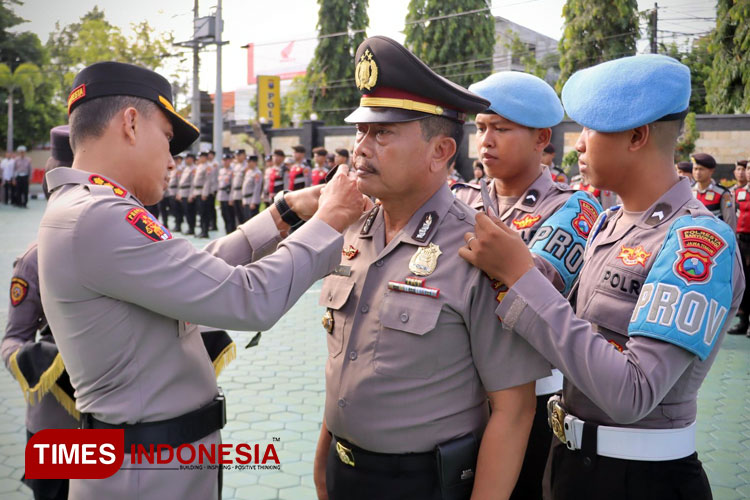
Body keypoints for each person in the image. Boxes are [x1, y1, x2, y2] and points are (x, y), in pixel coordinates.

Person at [38, 60, 366, 500]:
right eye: (168, 139)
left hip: (148, 463)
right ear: (131, 123)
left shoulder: (85, 208)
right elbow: (247, 298)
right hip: (146, 473)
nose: (173, 160)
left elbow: (194, 270)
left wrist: (285, 213)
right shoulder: (98, 216)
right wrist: (327, 222)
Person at [460, 54, 744, 500]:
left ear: (636, 136)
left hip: (641, 479)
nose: (577, 144)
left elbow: (633, 393)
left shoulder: (698, 243)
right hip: (572, 465)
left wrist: (520, 275)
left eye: (591, 128)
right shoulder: (609, 223)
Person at [313, 36, 550, 500]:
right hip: (346, 469)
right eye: (361, 131)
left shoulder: (479, 248)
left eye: (382, 134)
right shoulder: (354, 231)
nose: (361, 147)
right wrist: (325, 461)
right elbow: (346, 361)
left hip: (424, 482)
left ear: (440, 151)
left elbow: (514, 407)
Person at [453, 70, 600, 500]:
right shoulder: (462, 198)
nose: (486, 141)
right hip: (460, 391)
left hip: (530, 398)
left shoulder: (574, 208)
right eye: (481, 128)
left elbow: (532, 287)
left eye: (501, 128)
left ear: (541, 139)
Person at [2, 126, 80, 500]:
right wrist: (44, 361)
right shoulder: (34, 260)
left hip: (119, 423)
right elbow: (13, 338)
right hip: (57, 424)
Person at [730, 161, 750, 335]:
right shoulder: (737, 192)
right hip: (741, 241)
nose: (748, 172)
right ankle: (743, 321)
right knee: (743, 280)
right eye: (748, 168)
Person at [691, 152, 736, 230]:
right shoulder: (689, 192)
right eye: (695, 169)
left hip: (714, 238)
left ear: (711, 171)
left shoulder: (722, 193)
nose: (697, 173)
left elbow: (729, 221)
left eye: (701, 169)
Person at [177, 152, 197, 234]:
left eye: (187, 158)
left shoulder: (193, 169)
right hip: (183, 192)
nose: (185, 160)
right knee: (185, 212)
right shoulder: (186, 168)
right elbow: (180, 182)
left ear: (191, 159)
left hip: (188, 192)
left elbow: (193, 183)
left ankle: (191, 228)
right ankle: (189, 227)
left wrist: (191, 195)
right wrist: (179, 193)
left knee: (190, 212)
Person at [217, 153, 236, 233]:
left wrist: (231, 198)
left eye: (227, 160)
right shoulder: (221, 171)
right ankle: (226, 231)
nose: (225, 162)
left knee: (230, 216)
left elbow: (233, 185)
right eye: (224, 160)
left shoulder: (232, 171)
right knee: (223, 215)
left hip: (228, 196)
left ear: (230, 161)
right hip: (222, 195)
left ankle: (231, 231)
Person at [241, 154, 263, 220]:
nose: (247, 163)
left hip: (252, 201)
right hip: (246, 200)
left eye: (249, 162)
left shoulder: (257, 173)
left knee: (252, 220)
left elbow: (257, 189)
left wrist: (253, 202)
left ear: (254, 162)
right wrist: (244, 200)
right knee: (246, 220)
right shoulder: (248, 172)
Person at [164, 154, 182, 229]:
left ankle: (178, 225)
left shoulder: (179, 170)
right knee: (172, 209)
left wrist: (178, 193)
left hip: (175, 191)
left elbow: (179, 183)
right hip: (169, 192)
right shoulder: (170, 170)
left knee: (177, 210)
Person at [230, 149, 247, 227]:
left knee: (244, 215)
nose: (236, 157)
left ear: (243, 155)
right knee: (237, 215)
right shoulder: (235, 166)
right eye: (236, 155)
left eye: (238, 155)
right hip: (236, 193)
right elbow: (233, 182)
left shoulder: (246, 166)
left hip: (242, 193)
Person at [207, 150, 219, 231]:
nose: (209, 156)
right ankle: (211, 223)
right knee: (209, 207)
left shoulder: (215, 164)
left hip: (213, 188)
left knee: (211, 207)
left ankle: (214, 224)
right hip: (209, 188)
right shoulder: (208, 164)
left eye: (210, 155)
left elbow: (213, 178)